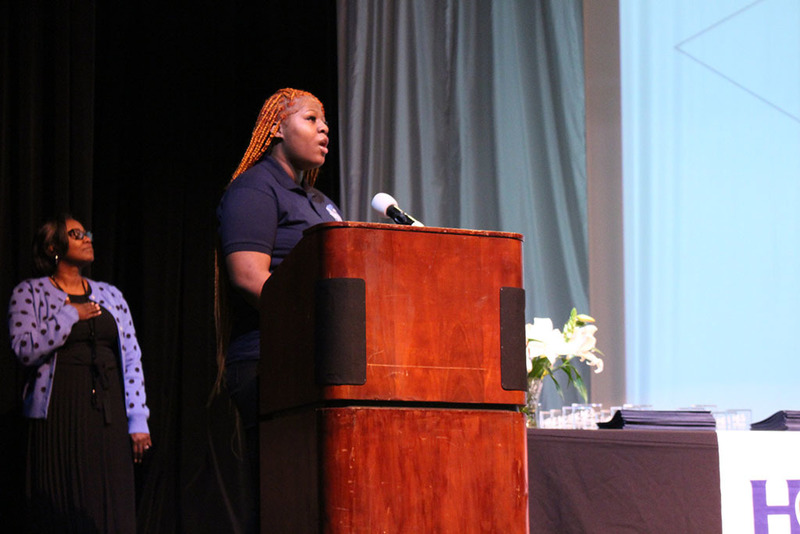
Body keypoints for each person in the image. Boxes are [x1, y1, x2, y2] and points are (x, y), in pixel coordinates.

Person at [215, 87, 342, 527]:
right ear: (276, 128)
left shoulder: (320, 202)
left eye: (324, 120)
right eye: (311, 119)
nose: (324, 127)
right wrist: (319, 323)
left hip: (326, 363)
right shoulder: (254, 189)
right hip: (272, 362)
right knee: (286, 498)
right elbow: (250, 277)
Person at [8, 214, 152, 533]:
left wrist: (138, 419)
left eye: (87, 232)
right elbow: (24, 349)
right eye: (76, 234)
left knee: (110, 502)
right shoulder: (29, 293)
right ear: (53, 246)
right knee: (63, 505)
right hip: (57, 413)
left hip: (107, 412)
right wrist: (68, 314)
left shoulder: (110, 295)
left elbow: (131, 357)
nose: (88, 237)